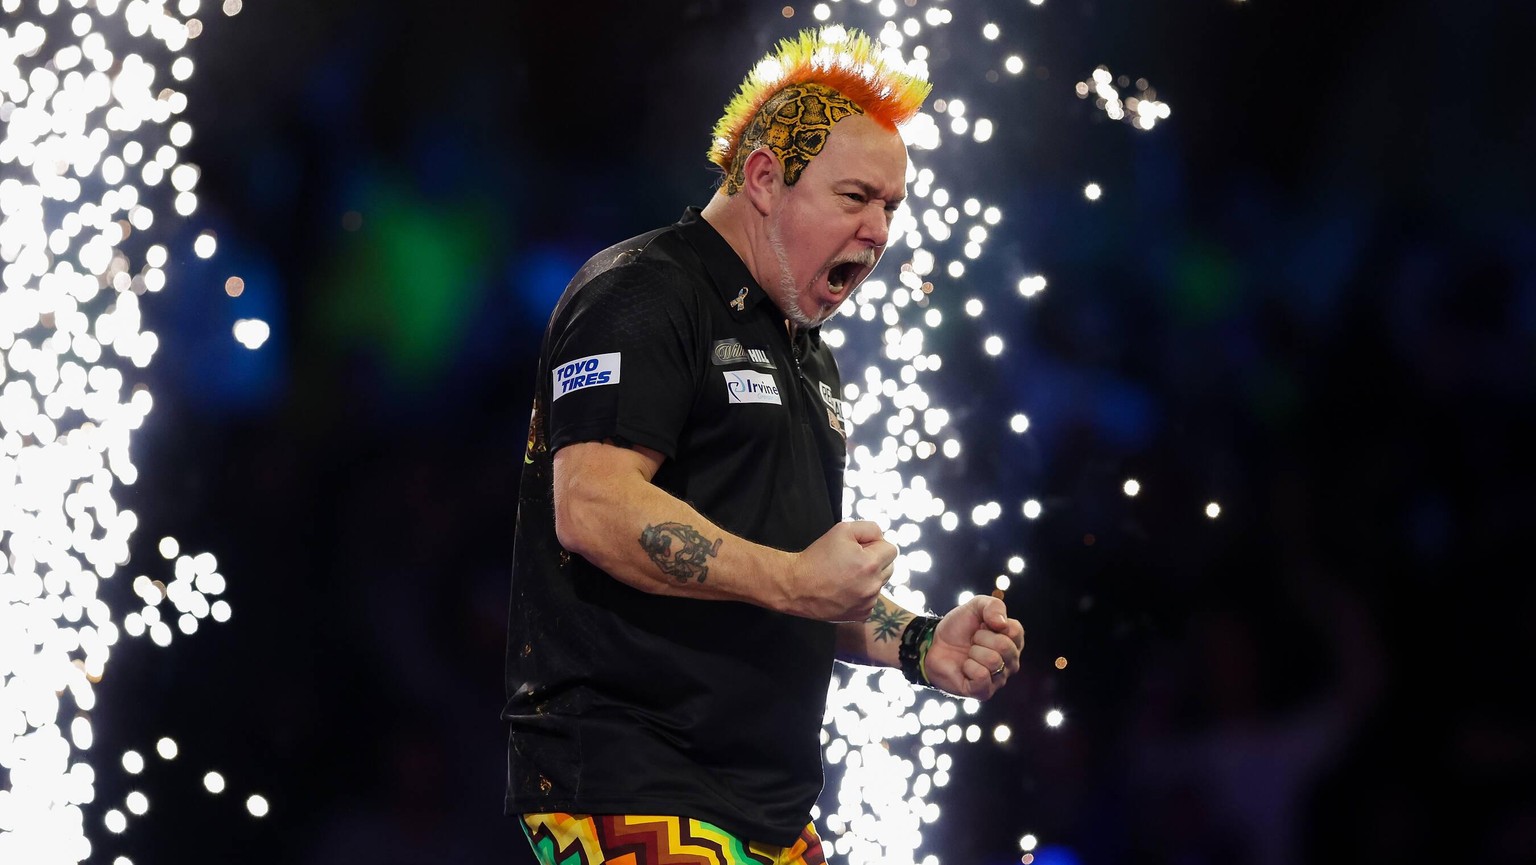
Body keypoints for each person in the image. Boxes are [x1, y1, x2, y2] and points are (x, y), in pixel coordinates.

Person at [504, 28, 1025, 865]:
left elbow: (791, 580)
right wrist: (792, 580)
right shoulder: (643, 290)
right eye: (856, 195)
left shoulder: (807, 355)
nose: (878, 229)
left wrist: (923, 643)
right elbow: (592, 505)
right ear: (762, 178)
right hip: (626, 784)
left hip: (767, 804)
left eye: (891, 206)